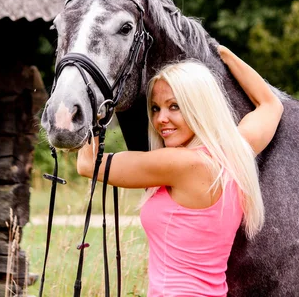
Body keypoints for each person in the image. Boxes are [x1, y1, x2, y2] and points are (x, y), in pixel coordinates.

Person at [76, 45, 284, 296]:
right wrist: (223, 53)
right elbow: (271, 105)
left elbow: (88, 164)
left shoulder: (180, 164)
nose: (161, 118)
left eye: (174, 106)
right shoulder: (235, 151)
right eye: (155, 108)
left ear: (200, 107)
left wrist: (91, 98)